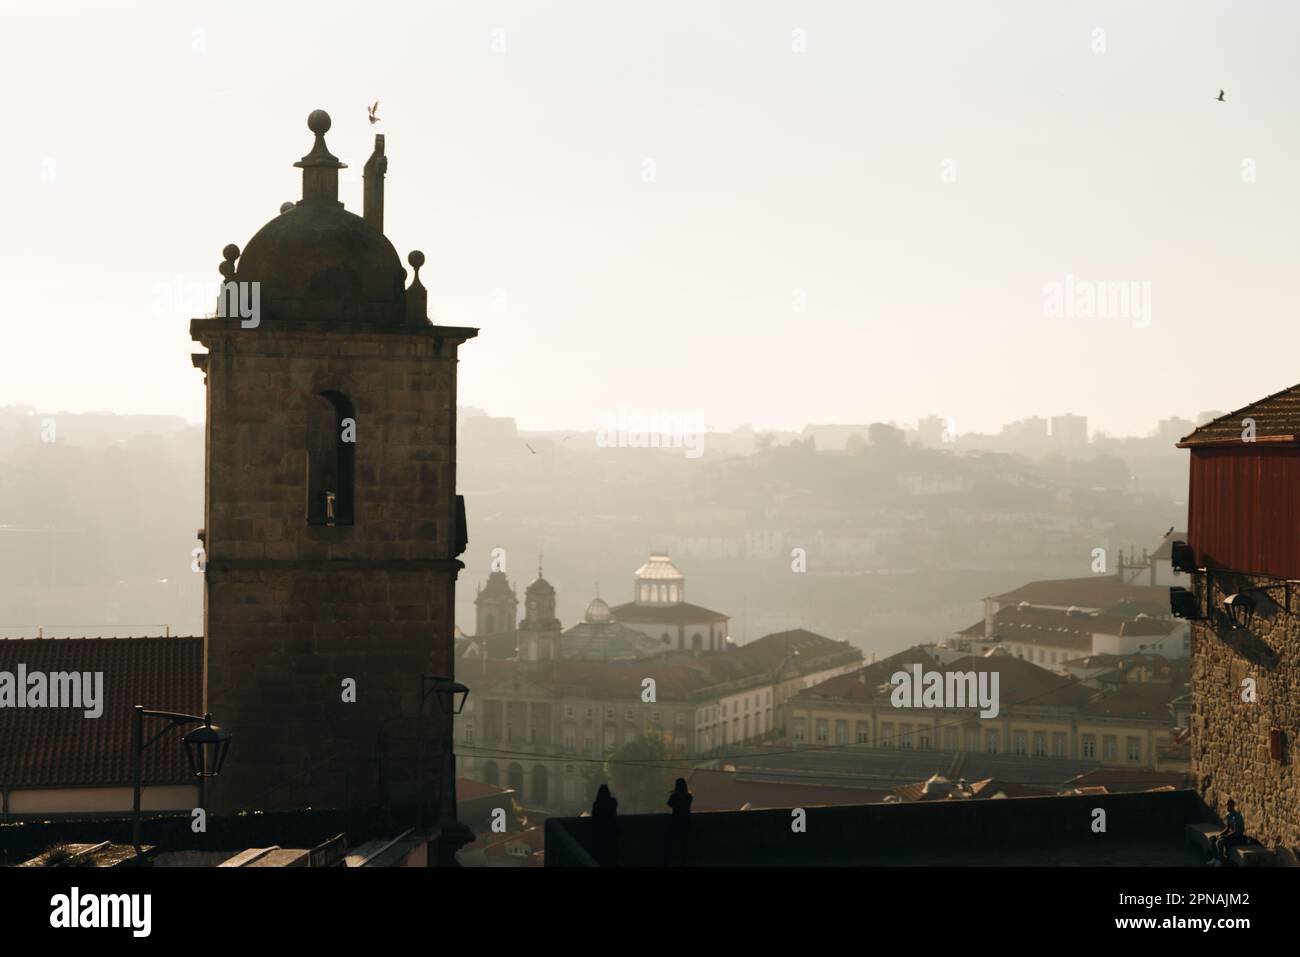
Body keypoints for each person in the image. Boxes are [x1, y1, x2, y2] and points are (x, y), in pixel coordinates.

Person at [665, 777, 693, 866]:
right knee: (684, 846)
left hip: (676, 823)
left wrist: (673, 795)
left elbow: (669, 804)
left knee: (675, 845)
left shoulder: (674, 797)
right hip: (686, 823)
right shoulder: (689, 797)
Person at [1210, 799, 1246, 864]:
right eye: (1227, 805)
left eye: (1229, 806)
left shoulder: (1236, 816)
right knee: (1213, 838)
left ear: (1233, 806)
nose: (1227, 807)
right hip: (1231, 835)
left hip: (1237, 837)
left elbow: (1236, 831)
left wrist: (1224, 836)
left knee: (1219, 842)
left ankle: (1220, 861)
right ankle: (1215, 858)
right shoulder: (1228, 815)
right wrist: (1220, 834)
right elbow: (1227, 828)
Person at [591, 784, 619, 866]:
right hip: (612, 832)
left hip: (600, 833)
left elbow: (594, 818)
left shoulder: (596, 804)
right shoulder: (612, 802)